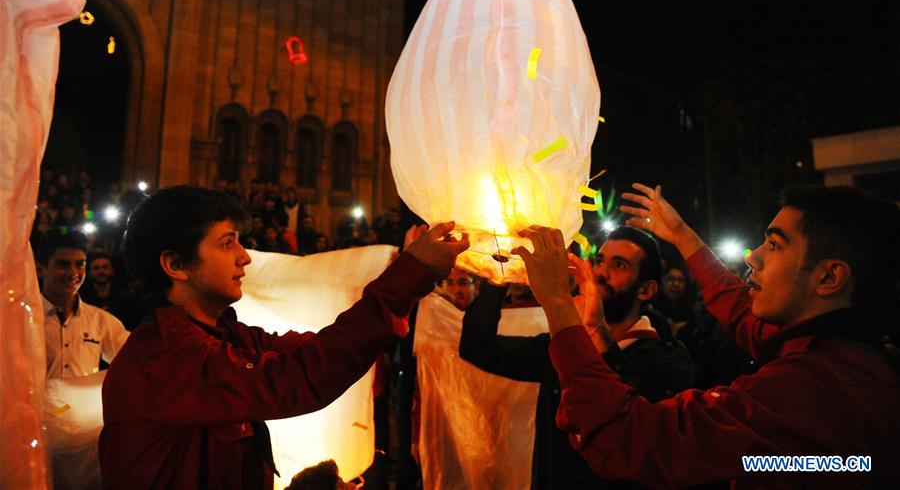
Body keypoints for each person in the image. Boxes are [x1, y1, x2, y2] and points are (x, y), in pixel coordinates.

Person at [515, 184, 900, 488]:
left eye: (776, 244)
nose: (753, 257)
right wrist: (683, 237)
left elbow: (634, 439)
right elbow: (740, 311)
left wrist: (558, 305)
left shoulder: (815, 388)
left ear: (829, 277)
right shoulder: (845, 354)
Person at [99, 186, 468, 489]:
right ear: (175, 265)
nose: (244, 257)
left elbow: (317, 351)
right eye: (227, 244)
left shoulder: (227, 335)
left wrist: (408, 273)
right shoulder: (166, 359)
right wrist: (410, 274)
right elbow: (300, 377)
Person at [459, 226, 695, 488]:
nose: (600, 273)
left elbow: (649, 433)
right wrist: (500, 276)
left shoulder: (669, 360)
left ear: (646, 290)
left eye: (619, 265)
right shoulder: (564, 345)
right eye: (599, 261)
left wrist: (598, 333)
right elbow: (478, 347)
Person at [37, 230, 129, 379]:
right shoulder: (23, 320)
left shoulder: (100, 321)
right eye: (63, 265)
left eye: (80, 265)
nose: (73, 272)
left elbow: (135, 360)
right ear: (40, 269)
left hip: (84, 403)